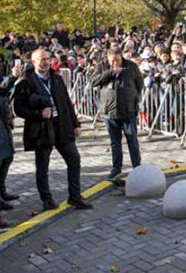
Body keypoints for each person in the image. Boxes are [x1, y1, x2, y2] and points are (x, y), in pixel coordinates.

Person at [13, 49, 92, 210]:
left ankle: (75, 196)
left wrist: (76, 124)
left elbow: (67, 102)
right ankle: (47, 199)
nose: (45, 62)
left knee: (74, 160)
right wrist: (38, 114)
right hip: (42, 129)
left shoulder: (56, 78)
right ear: (33, 62)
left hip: (62, 126)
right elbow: (18, 109)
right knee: (43, 166)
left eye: (48, 59)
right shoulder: (26, 82)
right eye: (42, 59)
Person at [91, 48, 144, 179]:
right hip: (109, 111)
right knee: (115, 141)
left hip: (128, 110)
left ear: (121, 58)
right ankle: (116, 168)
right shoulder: (102, 66)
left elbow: (139, 84)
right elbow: (93, 82)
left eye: (117, 60)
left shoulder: (131, 66)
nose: (115, 63)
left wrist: (132, 98)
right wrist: (110, 72)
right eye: (112, 61)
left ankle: (137, 166)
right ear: (108, 59)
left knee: (132, 139)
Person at [0, 62, 22, 226]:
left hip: (2, 120)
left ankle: (1, 192)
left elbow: (3, 93)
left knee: (7, 157)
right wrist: (12, 78)